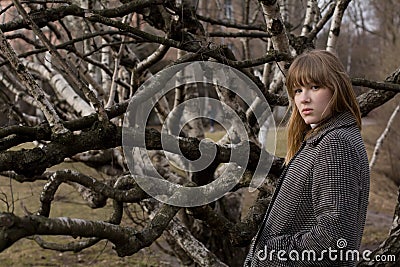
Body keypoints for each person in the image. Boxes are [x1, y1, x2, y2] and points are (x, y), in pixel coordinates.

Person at [244, 50, 370, 266]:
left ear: (336, 88)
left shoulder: (335, 143)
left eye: (315, 87)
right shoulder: (322, 138)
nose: (304, 98)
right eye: (298, 90)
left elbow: (333, 237)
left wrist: (271, 251)